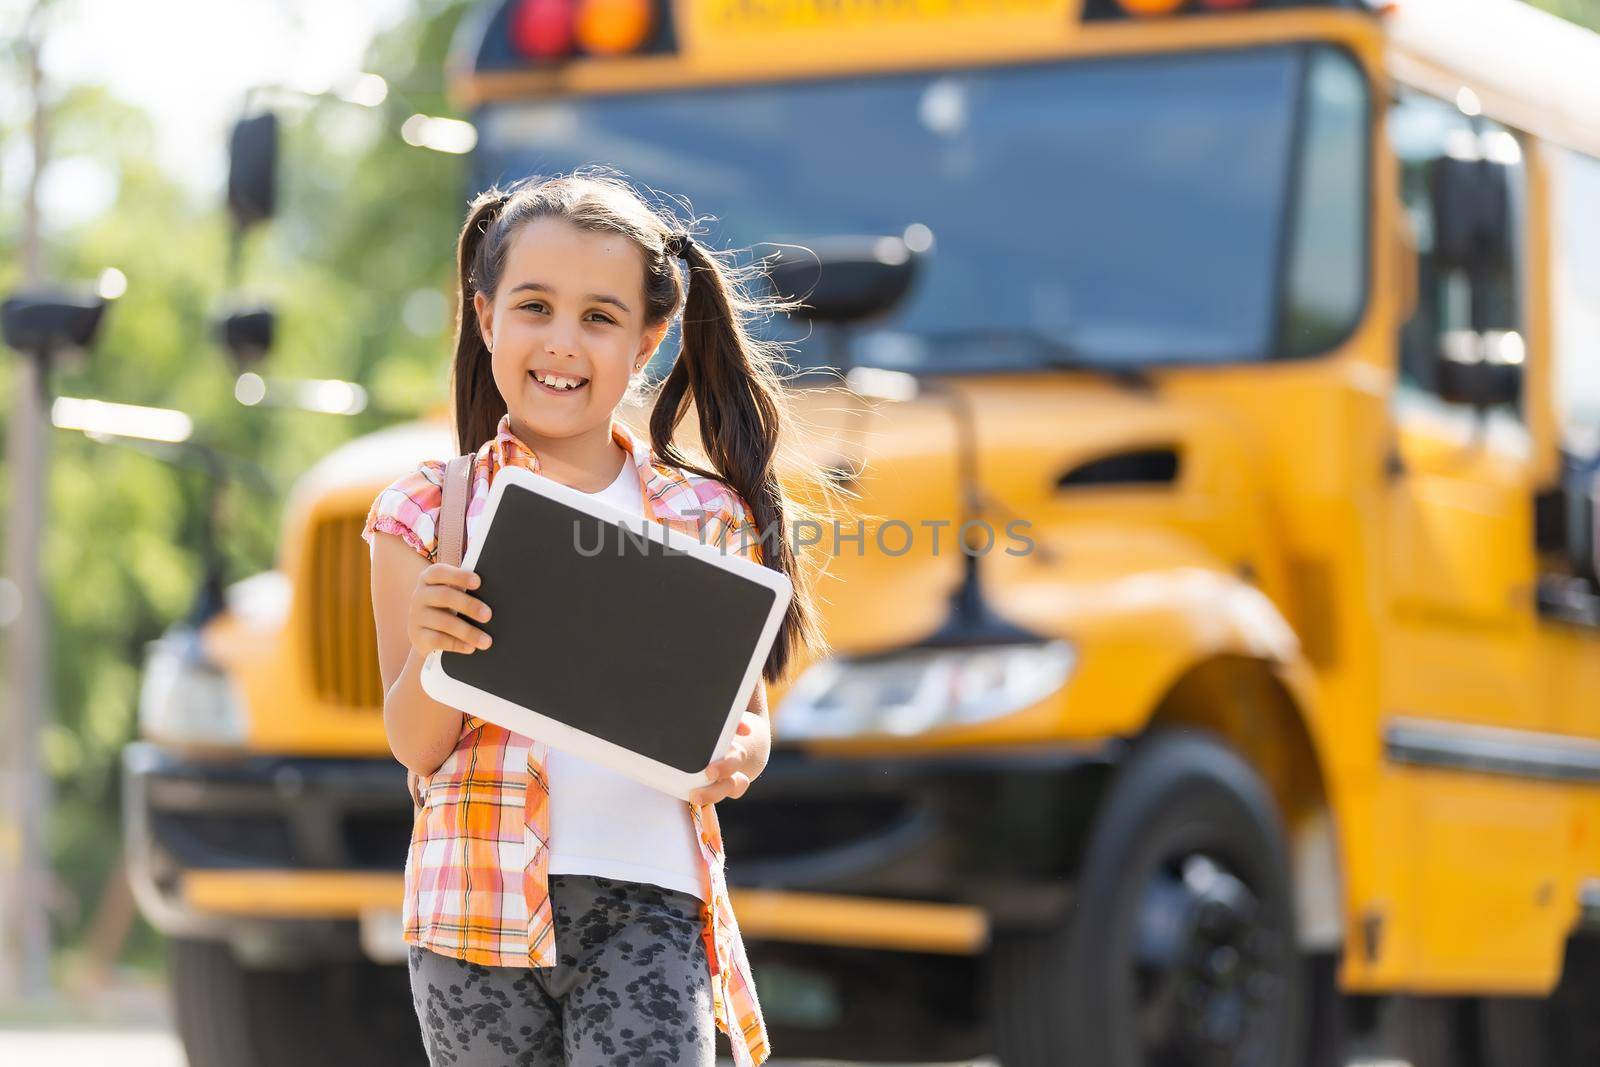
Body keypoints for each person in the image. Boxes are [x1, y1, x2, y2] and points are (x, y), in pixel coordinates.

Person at [361, 167, 828, 1067]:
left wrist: (741, 754)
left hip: (651, 904)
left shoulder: (708, 517)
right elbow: (416, 746)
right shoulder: (423, 513)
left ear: (648, 340)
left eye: (600, 316)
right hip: (472, 916)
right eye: (533, 306)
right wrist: (431, 648)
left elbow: (745, 724)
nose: (562, 343)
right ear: (485, 314)